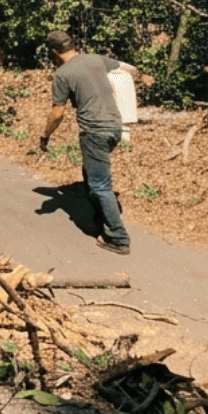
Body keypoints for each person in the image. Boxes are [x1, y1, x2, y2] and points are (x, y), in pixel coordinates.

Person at [38, 30, 154, 256]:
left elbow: (57, 113)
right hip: (115, 128)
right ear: (72, 44)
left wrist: (45, 136)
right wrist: (143, 76)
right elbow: (126, 68)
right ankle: (98, 220)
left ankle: (118, 238)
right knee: (91, 176)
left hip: (95, 132)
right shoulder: (95, 59)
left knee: (100, 185)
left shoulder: (62, 74)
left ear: (53, 51)